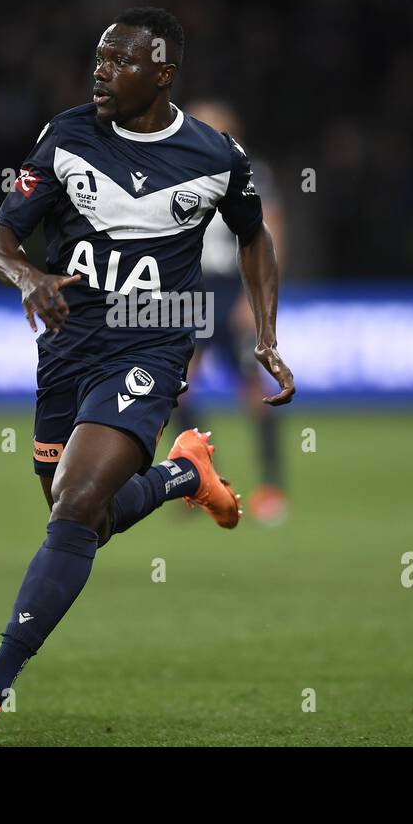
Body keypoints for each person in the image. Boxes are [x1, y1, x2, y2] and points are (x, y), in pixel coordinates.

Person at [0, 9, 294, 738]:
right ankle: (184, 476)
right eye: (99, 57)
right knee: (83, 517)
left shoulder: (217, 156)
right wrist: (27, 274)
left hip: (152, 343)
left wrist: (266, 333)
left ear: (162, 75)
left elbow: (253, 238)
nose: (101, 71)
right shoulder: (66, 136)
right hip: (68, 345)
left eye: (120, 61)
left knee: (73, 503)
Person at [175, 100, 289, 524]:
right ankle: (193, 481)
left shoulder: (253, 173)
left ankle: (272, 488)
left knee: (253, 393)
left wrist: (256, 296)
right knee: (178, 386)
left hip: (233, 287)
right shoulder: (175, 168)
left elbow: (271, 231)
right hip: (191, 290)